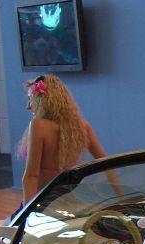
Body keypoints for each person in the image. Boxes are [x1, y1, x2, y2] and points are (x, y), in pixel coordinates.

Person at [17, 74, 105, 205]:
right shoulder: (83, 126)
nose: (28, 106)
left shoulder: (38, 125)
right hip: (68, 202)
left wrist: (27, 211)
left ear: (43, 100)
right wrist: (120, 198)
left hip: (44, 202)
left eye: (31, 99)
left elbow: (31, 176)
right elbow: (106, 164)